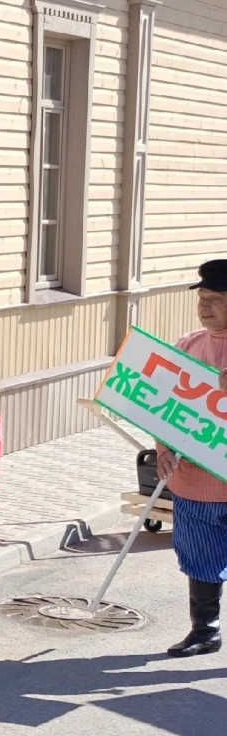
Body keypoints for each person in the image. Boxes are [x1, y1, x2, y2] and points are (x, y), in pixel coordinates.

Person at [162, 258, 227, 657]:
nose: (205, 306)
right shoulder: (186, 347)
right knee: (200, 556)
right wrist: (163, 447)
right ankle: (205, 630)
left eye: (216, 298)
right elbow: (161, 406)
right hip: (197, 481)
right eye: (202, 297)